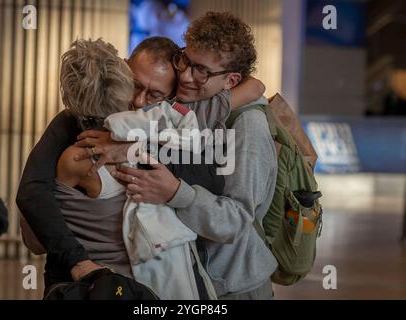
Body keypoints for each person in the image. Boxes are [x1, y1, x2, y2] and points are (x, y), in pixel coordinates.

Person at [16, 35, 266, 295]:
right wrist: (78, 261)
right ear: (123, 70)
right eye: (135, 85)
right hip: (89, 283)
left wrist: (134, 147)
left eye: (155, 96)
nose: (138, 101)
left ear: (171, 100)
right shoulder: (76, 123)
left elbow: (253, 89)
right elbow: (32, 193)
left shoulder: (176, 124)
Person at [78, 12, 279, 300]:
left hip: (234, 287)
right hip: (195, 281)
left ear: (231, 80)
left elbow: (234, 221)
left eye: (202, 71)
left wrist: (174, 192)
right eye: (185, 59)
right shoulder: (191, 107)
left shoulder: (248, 127)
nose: (185, 76)